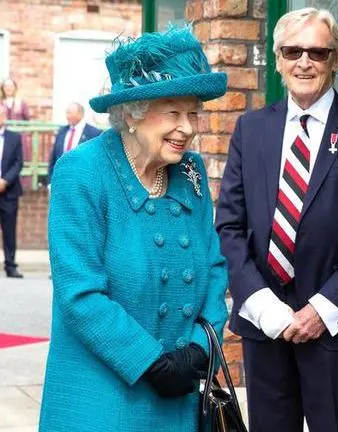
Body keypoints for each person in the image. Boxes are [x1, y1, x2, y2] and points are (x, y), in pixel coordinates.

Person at [39, 27, 229, 431]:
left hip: (177, 399)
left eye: (193, 112)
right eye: (174, 113)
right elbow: (80, 295)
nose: (188, 127)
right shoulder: (82, 172)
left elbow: (214, 269)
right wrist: (150, 362)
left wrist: (198, 350)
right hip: (103, 400)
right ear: (133, 112)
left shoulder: (189, 172)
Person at [215, 8, 338, 432]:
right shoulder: (250, 128)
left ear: (335, 60)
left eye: (317, 52)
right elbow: (230, 225)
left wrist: (321, 309)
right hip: (265, 329)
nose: (304, 62)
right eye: (293, 51)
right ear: (277, 58)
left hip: (332, 330)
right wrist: (262, 305)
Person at [49, 102, 102, 181]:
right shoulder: (61, 132)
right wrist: (50, 181)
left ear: (80, 114)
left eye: (69, 113)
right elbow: (53, 159)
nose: (67, 116)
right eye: (66, 113)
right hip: (61, 180)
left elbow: (97, 162)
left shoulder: (94, 134)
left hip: (83, 182)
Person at [0, 107, 24, 278]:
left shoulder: (15, 137)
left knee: (9, 231)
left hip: (8, 191)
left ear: (5, 116)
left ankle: (10, 266)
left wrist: (4, 181)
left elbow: (18, 162)